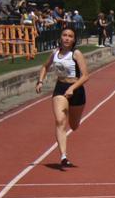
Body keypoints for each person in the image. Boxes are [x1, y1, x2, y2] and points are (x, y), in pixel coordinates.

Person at [35, 28, 89, 168]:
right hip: (60, 88)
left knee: (74, 125)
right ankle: (63, 156)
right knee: (60, 121)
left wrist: (72, 88)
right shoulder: (55, 53)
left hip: (76, 90)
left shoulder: (76, 54)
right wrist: (40, 81)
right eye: (64, 35)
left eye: (70, 36)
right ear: (60, 37)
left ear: (73, 40)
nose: (66, 38)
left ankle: (70, 111)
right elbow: (45, 67)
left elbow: (85, 76)